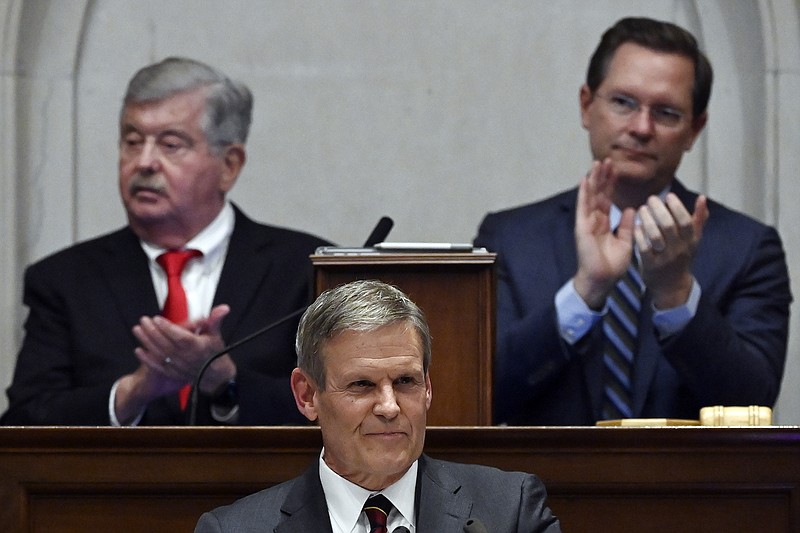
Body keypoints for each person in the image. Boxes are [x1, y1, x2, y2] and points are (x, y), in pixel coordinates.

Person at [475, 17, 792, 425]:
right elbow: (481, 395)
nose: (641, 128)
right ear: (587, 105)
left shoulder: (748, 248)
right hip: (544, 486)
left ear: (695, 129)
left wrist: (676, 294)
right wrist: (585, 291)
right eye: (623, 102)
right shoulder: (510, 238)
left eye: (666, 112)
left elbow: (755, 403)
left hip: (694, 487)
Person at [1, 57, 331, 426]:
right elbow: (24, 422)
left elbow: (339, 411)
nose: (144, 162)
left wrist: (227, 382)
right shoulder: (64, 280)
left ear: (229, 165)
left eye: (170, 145)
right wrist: (130, 394)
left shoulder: (307, 271)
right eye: (132, 141)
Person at [195, 280, 561, 532]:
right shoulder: (234, 528)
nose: (389, 406)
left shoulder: (507, 511)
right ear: (307, 395)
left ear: (428, 388)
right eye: (361, 385)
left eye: (406, 382)